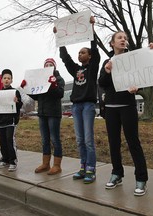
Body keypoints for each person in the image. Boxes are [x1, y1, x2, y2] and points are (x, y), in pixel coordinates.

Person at [98, 31, 148, 196]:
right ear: (112, 43)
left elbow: (141, 80)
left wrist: (137, 88)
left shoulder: (132, 59)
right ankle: (117, 173)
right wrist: (106, 71)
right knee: (113, 143)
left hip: (127, 106)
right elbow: (102, 83)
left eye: (125, 38)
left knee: (133, 142)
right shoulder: (108, 61)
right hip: (111, 108)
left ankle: (141, 178)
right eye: (119, 38)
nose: (123, 40)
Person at [57, 16, 100, 184]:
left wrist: (91, 29)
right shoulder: (75, 69)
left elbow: (95, 51)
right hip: (76, 107)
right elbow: (65, 58)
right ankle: (82, 167)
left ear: (89, 56)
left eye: (82, 52)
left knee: (89, 140)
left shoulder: (93, 67)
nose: (79, 54)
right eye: (79, 53)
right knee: (80, 139)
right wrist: (60, 39)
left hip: (88, 106)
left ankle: (91, 168)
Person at [21, 58, 65, 175]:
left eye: (51, 65)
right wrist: (27, 88)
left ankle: (57, 165)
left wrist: (53, 84)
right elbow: (36, 96)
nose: (48, 66)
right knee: (45, 139)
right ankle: (45, 164)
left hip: (53, 114)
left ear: (54, 67)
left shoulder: (59, 79)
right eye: (46, 65)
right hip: (42, 113)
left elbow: (60, 94)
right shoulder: (40, 80)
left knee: (55, 139)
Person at [0, 69, 23, 171]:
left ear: (11, 80)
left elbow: (20, 105)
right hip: (0, 121)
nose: (6, 80)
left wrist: (17, 102)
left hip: (10, 121)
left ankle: (13, 160)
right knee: (2, 141)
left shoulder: (15, 92)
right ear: (1, 80)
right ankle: (5, 159)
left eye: (8, 78)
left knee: (10, 140)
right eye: (4, 78)